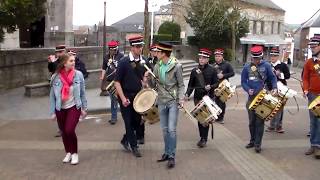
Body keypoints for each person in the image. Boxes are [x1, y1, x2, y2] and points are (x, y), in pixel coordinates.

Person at [49, 53, 88, 165]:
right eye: (71, 61)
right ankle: (68, 152)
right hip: (60, 108)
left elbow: (82, 93)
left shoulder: (78, 75)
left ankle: (75, 153)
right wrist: (52, 112)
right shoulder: (55, 77)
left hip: (74, 106)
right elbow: (52, 96)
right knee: (64, 132)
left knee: (69, 130)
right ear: (64, 63)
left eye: (74, 60)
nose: (73, 62)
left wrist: (84, 108)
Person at [114, 35, 148, 157]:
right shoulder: (123, 62)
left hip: (138, 96)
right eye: (137, 46)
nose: (140, 48)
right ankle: (134, 147)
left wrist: (145, 80)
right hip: (126, 96)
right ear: (131, 47)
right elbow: (117, 82)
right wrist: (123, 98)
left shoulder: (144, 60)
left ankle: (125, 139)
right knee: (128, 122)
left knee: (136, 121)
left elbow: (144, 80)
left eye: (141, 46)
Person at [152, 42, 185, 169]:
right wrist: (146, 79)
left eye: (158, 52)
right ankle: (166, 152)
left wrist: (181, 99)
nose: (156, 53)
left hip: (173, 102)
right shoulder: (157, 66)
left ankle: (171, 155)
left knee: (171, 129)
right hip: (161, 101)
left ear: (164, 53)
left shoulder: (177, 66)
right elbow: (153, 84)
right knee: (165, 130)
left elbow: (181, 85)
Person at [241, 45, 277, 153]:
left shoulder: (266, 66)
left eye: (258, 59)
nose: (256, 61)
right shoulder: (247, 67)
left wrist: (274, 87)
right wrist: (248, 89)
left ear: (261, 57)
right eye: (254, 59)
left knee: (259, 122)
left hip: (263, 98)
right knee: (251, 122)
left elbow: (272, 78)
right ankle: (252, 140)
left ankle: (258, 144)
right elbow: (243, 81)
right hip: (251, 98)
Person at [185, 48, 218, 148]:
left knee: (206, 119)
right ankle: (202, 137)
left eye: (204, 58)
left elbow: (216, 83)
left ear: (208, 59)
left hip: (208, 98)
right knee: (200, 118)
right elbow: (191, 85)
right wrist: (187, 94)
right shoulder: (195, 71)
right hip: (197, 98)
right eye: (200, 57)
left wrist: (211, 86)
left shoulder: (212, 70)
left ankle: (204, 138)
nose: (201, 59)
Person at [302, 34, 320, 159]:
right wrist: (306, 90)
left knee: (319, 121)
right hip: (312, 95)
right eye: (311, 47)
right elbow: (305, 78)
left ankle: (318, 146)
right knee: (313, 121)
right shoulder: (309, 62)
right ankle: (313, 145)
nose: (312, 48)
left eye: (314, 46)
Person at [265, 47, 290, 133]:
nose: (273, 57)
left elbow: (288, 76)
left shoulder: (283, 65)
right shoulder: (267, 65)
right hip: (270, 88)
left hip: (281, 89)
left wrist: (280, 74)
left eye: (275, 55)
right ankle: (272, 126)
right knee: (271, 106)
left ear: (278, 56)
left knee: (280, 108)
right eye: (271, 55)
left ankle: (279, 126)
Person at [100, 41, 124, 124]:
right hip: (110, 82)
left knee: (121, 99)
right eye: (111, 50)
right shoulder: (106, 57)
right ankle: (114, 117)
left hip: (119, 82)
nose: (112, 51)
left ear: (116, 48)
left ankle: (126, 114)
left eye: (114, 50)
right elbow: (104, 67)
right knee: (113, 100)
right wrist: (102, 76)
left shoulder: (121, 56)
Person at [48, 45, 67, 138]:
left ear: (64, 51)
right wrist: (50, 63)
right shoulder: (56, 61)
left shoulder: (67, 60)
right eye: (57, 52)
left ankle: (67, 127)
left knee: (66, 108)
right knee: (58, 109)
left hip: (66, 88)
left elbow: (59, 70)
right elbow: (51, 70)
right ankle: (61, 129)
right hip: (56, 88)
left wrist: (54, 62)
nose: (58, 54)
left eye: (60, 52)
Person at [212, 48, 235, 124]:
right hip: (215, 86)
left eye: (219, 56)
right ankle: (216, 116)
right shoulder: (213, 65)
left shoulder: (227, 64)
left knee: (222, 102)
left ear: (222, 56)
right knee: (215, 101)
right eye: (216, 56)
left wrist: (223, 75)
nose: (217, 57)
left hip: (224, 86)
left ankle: (221, 118)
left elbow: (232, 73)